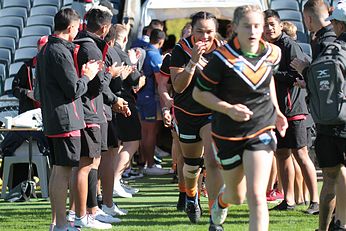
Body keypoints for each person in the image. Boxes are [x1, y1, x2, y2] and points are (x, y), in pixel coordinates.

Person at [192, 5, 288, 230]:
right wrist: (227, 108)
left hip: (261, 127)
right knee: (238, 196)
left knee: (257, 195)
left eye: (257, 26)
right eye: (247, 26)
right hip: (228, 133)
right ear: (235, 28)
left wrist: (277, 111)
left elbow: (268, 81)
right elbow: (199, 93)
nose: (253, 31)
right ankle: (222, 201)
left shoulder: (273, 53)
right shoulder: (221, 58)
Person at [36, 8, 102, 231]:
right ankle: (62, 224)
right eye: (76, 28)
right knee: (63, 171)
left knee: (58, 169)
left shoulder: (47, 49)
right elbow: (73, 90)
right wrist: (88, 75)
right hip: (66, 119)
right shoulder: (59, 52)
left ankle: (58, 223)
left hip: (56, 118)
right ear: (71, 28)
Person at [293, 2, 346, 230]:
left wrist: (306, 71)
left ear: (338, 24)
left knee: (331, 177)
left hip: (326, 122)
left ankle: (326, 227)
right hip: (343, 119)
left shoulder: (328, 45)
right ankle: (340, 224)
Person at [170, 11, 224, 230]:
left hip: (212, 113)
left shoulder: (223, 50)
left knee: (212, 161)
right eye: (200, 31)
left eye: (209, 31)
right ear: (192, 30)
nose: (205, 36)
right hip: (187, 113)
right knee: (191, 165)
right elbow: (178, 86)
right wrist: (193, 61)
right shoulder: (180, 50)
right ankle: (191, 196)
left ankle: (215, 218)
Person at [263, 9, 320, 214]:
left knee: (301, 154)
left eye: (271, 24)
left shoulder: (289, 45)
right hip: (274, 111)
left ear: (279, 25)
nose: (268, 28)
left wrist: (272, 72)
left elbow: (297, 75)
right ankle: (288, 200)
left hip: (293, 108)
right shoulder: (265, 48)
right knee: (281, 154)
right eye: (265, 24)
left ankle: (315, 200)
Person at [137, 28, 169, 175]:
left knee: (145, 132)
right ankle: (150, 165)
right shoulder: (154, 55)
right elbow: (159, 80)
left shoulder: (144, 49)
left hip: (142, 97)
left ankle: (144, 163)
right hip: (149, 97)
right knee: (149, 133)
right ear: (161, 41)